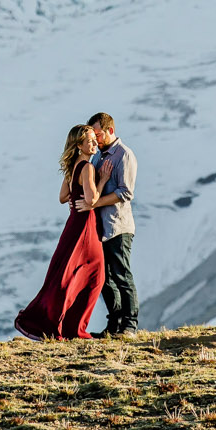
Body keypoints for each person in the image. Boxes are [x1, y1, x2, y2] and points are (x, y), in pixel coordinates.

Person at [14, 124, 106, 340]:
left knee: (66, 274)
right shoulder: (87, 168)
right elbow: (92, 199)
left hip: (73, 223)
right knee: (95, 275)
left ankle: (64, 324)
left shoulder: (74, 165)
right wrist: (101, 181)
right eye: (90, 140)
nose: (94, 143)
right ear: (79, 145)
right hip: (85, 226)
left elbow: (63, 196)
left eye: (95, 139)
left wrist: (77, 199)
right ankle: (74, 328)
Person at [77, 111, 138, 337]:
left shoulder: (124, 155)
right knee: (104, 279)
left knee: (122, 275)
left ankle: (130, 325)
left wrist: (94, 204)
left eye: (99, 134)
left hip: (118, 226)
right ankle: (114, 325)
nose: (96, 139)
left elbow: (126, 192)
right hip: (101, 228)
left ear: (110, 130)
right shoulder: (98, 156)